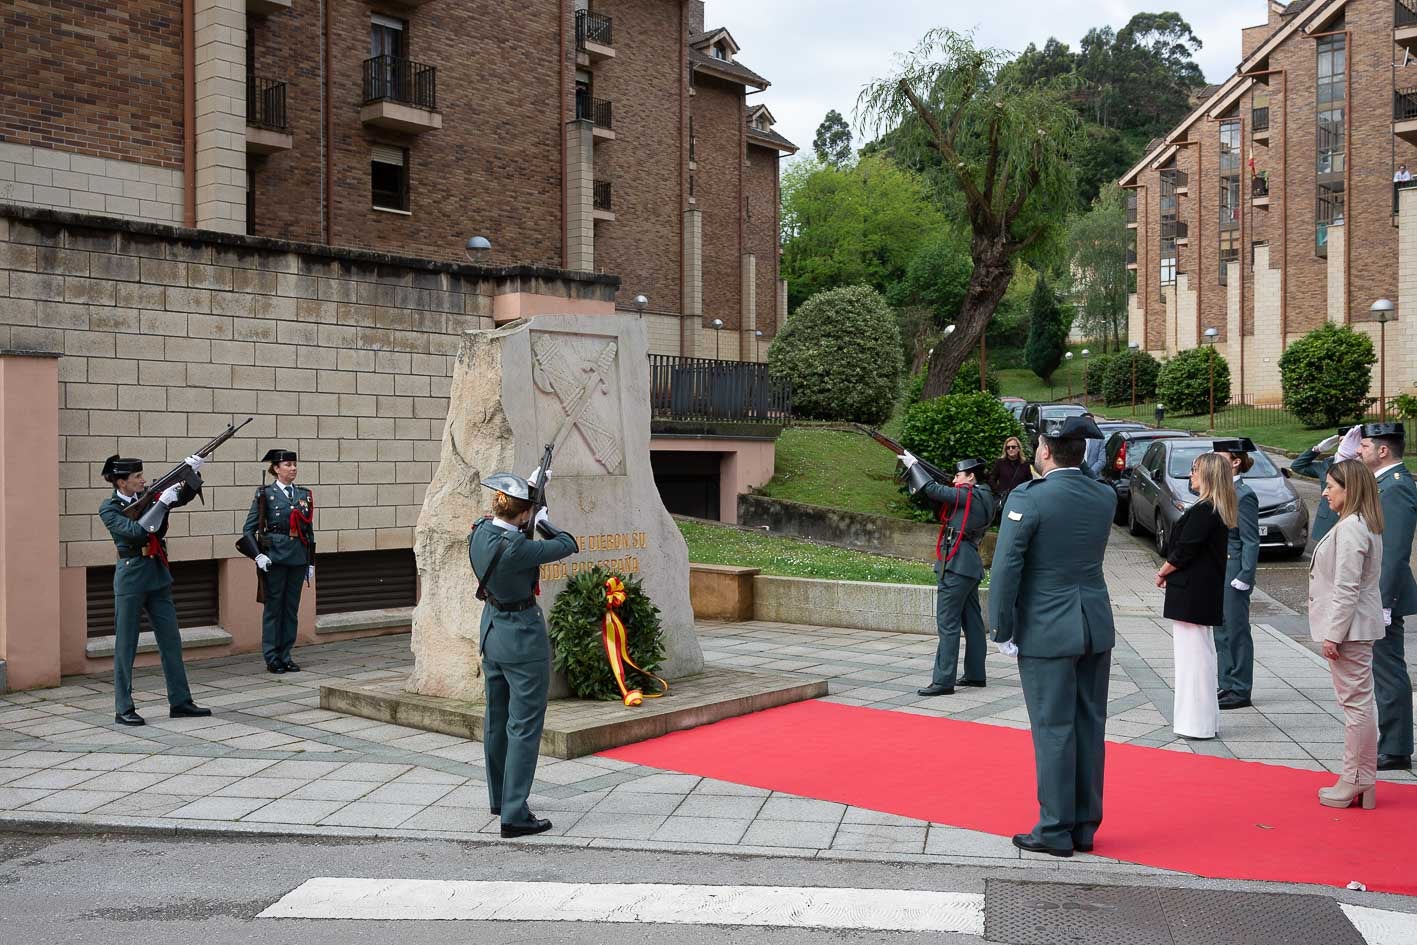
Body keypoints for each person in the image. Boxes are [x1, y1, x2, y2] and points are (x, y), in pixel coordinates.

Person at [989, 415, 1115, 858]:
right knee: (1089, 726)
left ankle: (1055, 828)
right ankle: (1084, 825)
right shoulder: (1102, 497)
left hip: (1046, 627)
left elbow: (1006, 567)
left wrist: (1001, 627)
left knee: (1053, 728)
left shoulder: (1031, 497)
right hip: (1093, 625)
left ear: (1044, 451)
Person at [469, 469, 579, 838]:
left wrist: (531, 491)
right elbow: (567, 543)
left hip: (493, 634)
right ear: (524, 515)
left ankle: (500, 797)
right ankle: (515, 815)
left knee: (496, 721)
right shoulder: (519, 547)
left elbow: (503, 522)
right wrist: (544, 520)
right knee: (524, 727)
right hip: (522, 641)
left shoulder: (480, 532)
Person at [98, 455, 212, 726]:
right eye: (136, 477)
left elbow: (181, 497)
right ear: (121, 482)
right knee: (126, 645)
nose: (143, 480)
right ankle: (123, 707)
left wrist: (191, 475)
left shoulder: (148, 495)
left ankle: (180, 701)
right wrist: (161, 503)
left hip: (157, 574)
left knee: (171, 640)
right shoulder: (109, 508)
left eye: (142, 475)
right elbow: (136, 532)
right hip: (131, 576)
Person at [1309, 459, 1385, 809]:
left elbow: (1347, 587)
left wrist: (1332, 635)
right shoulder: (1357, 522)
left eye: (1330, 486)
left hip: (1350, 631)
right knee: (1359, 705)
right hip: (1354, 628)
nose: (1324, 492)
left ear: (1349, 490)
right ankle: (1360, 779)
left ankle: (1356, 779)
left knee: (1356, 707)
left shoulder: (1353, 526)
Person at [899, 454, 996, 695]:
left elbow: (932, 489)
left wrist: (914, 465)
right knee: (972, 623)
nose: (954, 480)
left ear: (971, 476)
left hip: (956, 564)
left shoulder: (968, 494)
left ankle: (943, 680)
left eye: (958, 475)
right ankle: (975, 674)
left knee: (948, 624)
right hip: (969, 564)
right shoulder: (985, 496)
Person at [1155, 453, 1236, 740]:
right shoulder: (1212, 508)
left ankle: (1195, 722)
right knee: (1199, 656)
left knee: (1193, 659)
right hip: (1198, 592)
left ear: (1209, 475)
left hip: (1192, 593)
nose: (1190, 475)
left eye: (1194, 470)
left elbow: (1185, 549)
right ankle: (1200, 720)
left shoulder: (1206, 510)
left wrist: (1163, 571)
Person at [1357, 422, 1417, 771]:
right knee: (1382, 668)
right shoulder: (1380, 485)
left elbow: (1393, 552)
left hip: (1383, 597)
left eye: (1364, 446)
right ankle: (1391, 740)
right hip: (1374, 594)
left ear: (1383, 450)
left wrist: (1383, 604)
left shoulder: (1396, 489)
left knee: (1388, 668)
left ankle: (1395, 747)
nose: (1359, 451)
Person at [242, 449, 315, 675]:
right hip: (273, 557)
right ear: (276, 468)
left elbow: (308, 531)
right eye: (287, 464)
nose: (293, 468)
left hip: (297, 557)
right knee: (274, 608)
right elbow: (248, 530)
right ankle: (272, 657)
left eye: (294, 464)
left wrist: (310, 562)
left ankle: (286, 655)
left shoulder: (304, 494)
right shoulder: (265, 494)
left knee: (290, 609)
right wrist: (258, 555)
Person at [1211, 437, 1261, 710]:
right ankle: (1226, 682)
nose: (1214, 460)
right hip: (1219, 567)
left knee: (1237, 630)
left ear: (1236, 462)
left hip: (1234, 568)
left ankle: (1241, 688)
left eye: (1220, 457)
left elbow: (1251, 540)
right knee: (1220, 629)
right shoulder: (1220, 490)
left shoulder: (1244, 495)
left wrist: (1246, 575)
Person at [1290, 426, 1362, 545]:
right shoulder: (1327, 464)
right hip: (1328, 519)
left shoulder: (1362, 466)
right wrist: (1317, 449)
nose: (1345, 444)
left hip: (1353, 519)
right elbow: (1297, 466)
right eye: (1342, 441)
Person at [990, 437, 1032, 511]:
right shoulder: (1000, 462)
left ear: (1018, 448)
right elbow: (992, 478)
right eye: (1008, 447)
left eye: (1013, 447)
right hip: (1004, 499)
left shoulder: (1025, 464)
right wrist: (998, 491)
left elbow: (1029, 482)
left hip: (1019, 499)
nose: (1010, 449)